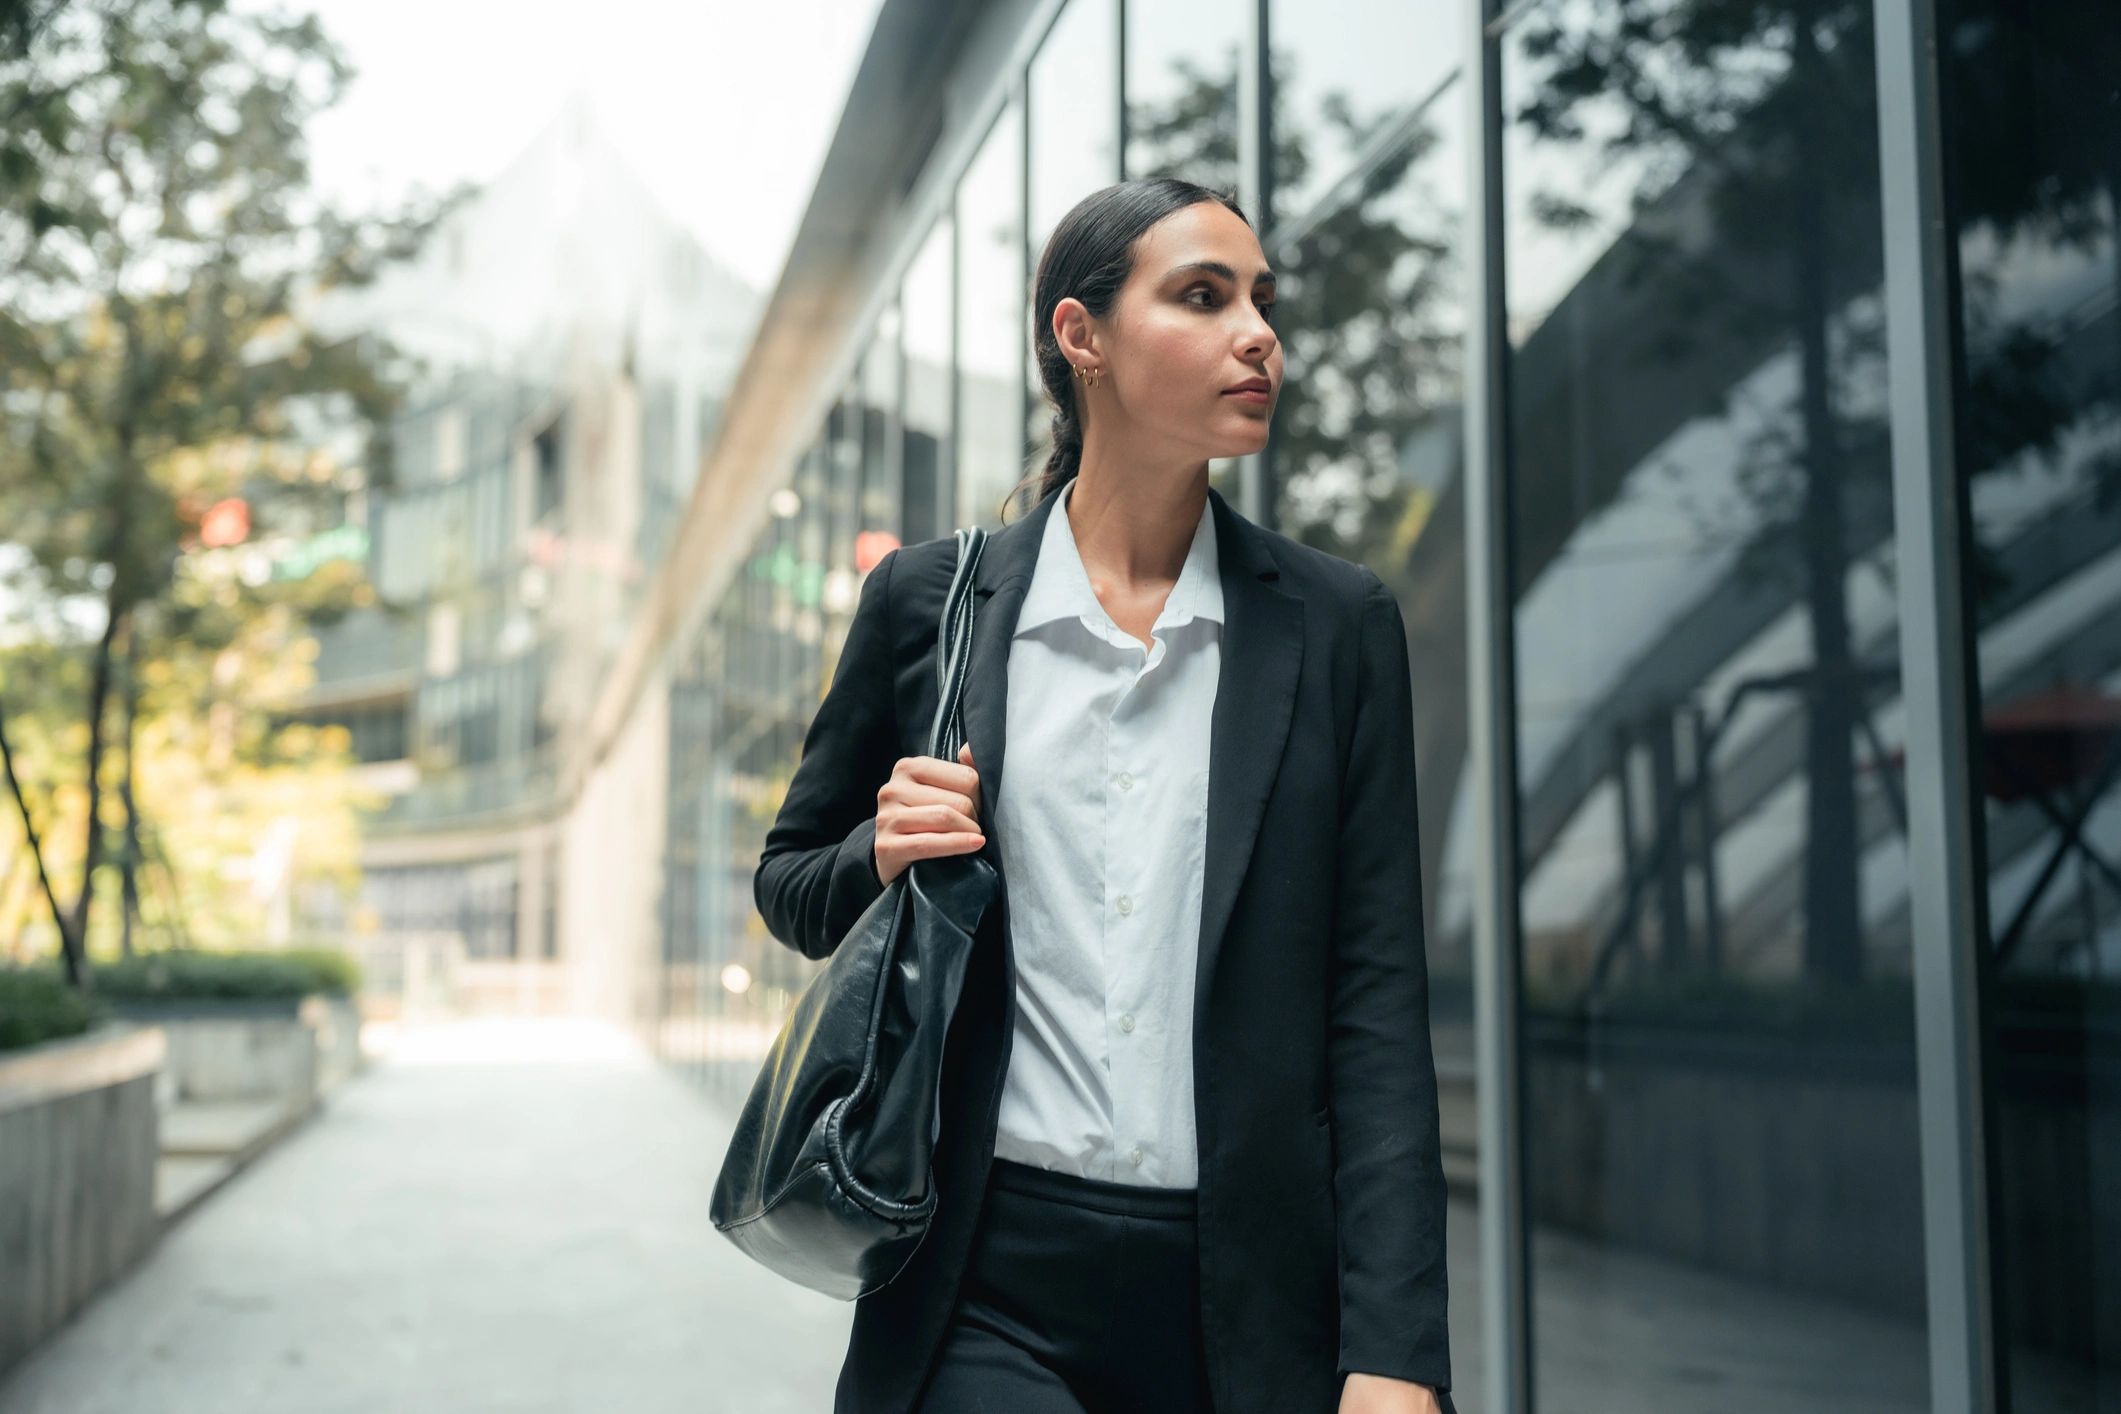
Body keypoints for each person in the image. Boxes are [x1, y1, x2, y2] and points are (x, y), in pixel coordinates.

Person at [754, 177, 1455, 1414]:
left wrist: (1396, 1350)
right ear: (1082, 337)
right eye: (1204, 296)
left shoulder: (1337, 626)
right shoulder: (933, 605)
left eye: (1262, 300)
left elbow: (1377, 1000)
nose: (1259, 334)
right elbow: (792, 885)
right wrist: (878, 847)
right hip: (978, 1282)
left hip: (1250, 1301)